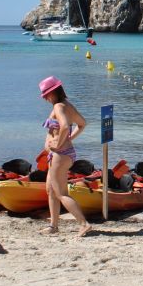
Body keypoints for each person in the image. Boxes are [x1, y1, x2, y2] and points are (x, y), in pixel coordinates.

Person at [39, 76, 91, 237]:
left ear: (53, 93)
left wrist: (59, 144)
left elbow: (64, 126)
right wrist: (69, 139)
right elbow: (82, 124)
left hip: (60, 155)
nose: (46, 98)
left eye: (47, 95)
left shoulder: (59, 107)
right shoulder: (68, 106)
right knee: (50, 190)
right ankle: (54, 225)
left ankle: (84, 224)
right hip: (62, 154)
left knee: (61, 192)